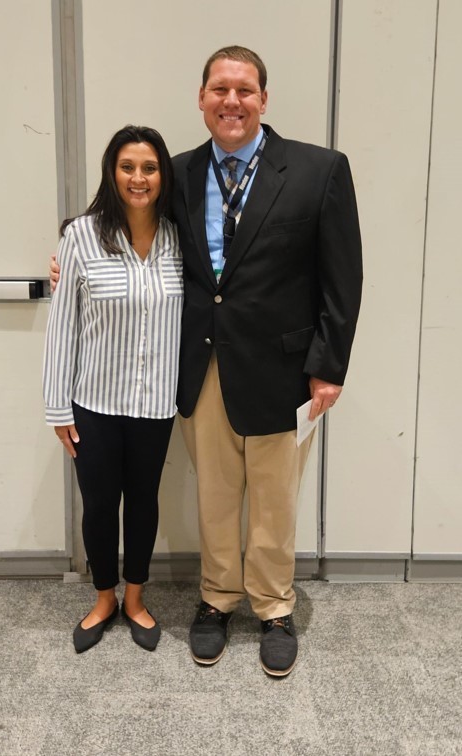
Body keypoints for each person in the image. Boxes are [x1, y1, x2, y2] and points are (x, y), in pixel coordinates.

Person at [51, 46, 362, 677]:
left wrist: (329, 367)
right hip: (201, 368)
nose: (232, 101)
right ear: (201, 99)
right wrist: (65, 252)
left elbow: (342, 277)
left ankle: (274, 606)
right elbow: (123, 215)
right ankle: (218, 599)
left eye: (245, 90)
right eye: (219, 88)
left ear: (264, 100)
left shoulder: (317, 169)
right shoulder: (180, 173)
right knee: (216, 496)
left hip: (285, 371)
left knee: (275, 497)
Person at [44, 125, 183, 654]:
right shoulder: (80, 236)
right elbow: (64, 324)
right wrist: (58, 404)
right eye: (128, 167)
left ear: (162, 175)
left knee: (143, 503)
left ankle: (135, 599)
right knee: (100, 504)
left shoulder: (178, 238)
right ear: (111, 172)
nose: (138, 178)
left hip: (154, 404)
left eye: (149, 168)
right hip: (94, 403)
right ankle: (104, 597)